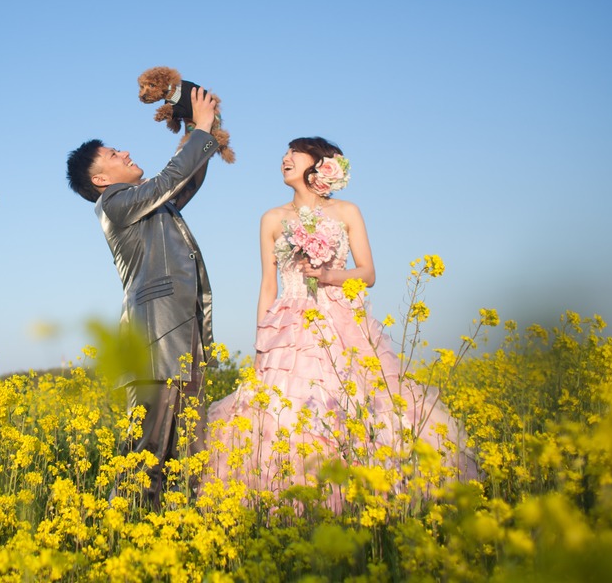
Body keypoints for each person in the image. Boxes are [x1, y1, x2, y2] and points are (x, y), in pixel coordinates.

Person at [205, 137, 475, 503]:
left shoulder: (347, 212)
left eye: (294, 153)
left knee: (359, 406)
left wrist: (328, 276)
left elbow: (368, 273)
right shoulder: (271, 218)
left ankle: (363, 497)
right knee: (285, 412)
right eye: (284, 154)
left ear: (320, 164)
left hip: (342, 320)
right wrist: (261, 345)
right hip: (289, 324)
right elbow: (268, 285)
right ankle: (289, 501)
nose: (285, 158)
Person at [66, 86, 222, 509]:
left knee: (188, 445)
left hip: (180, 327)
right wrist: (201, 131)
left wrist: (194, 123)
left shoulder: (147, 204)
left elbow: (183, 183)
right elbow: (171, 179)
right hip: (154, 338)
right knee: (147, 445)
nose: (126, 153)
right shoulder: (114, 202)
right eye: (115, 154)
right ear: (100, 179)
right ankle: (122, 528)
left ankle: (175, 528)